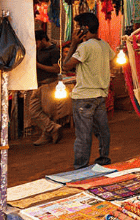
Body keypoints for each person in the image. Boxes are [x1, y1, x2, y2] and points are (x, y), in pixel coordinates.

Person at [62, 12, 113, 169]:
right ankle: (103, 159)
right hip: (100, 95)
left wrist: (73, 44)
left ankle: (81, 166)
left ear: (84, 29)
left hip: (84, 97)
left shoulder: (84, 47)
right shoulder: (104, 45)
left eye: (78, 27)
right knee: (102, 131)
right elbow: (111, 60)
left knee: (83, 135)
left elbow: (65, 65)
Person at [29, 29, 63, 146]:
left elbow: (57, 69)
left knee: (47, 112)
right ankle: (53, 128)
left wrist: (38, 65)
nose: (36, 45)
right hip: (38, 85)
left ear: (43, 40)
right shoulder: (37, 50)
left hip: (49, 84)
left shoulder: (54, 51)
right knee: (33, 111)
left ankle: (47, 135)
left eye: (37, 43)